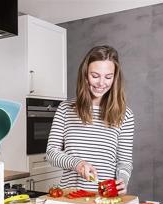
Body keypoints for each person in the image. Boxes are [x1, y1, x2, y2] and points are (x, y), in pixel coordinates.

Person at [46, 45, 134, 195]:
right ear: (85, 75)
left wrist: (122, 180)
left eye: (108, 77)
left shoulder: (125, 114)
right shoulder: (66, 108)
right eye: (95, 75)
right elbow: (51, 153)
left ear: (115, 78)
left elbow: (124, 162)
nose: (101, 83)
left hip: (105, 197)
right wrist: (77, 164)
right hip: (70, 195)